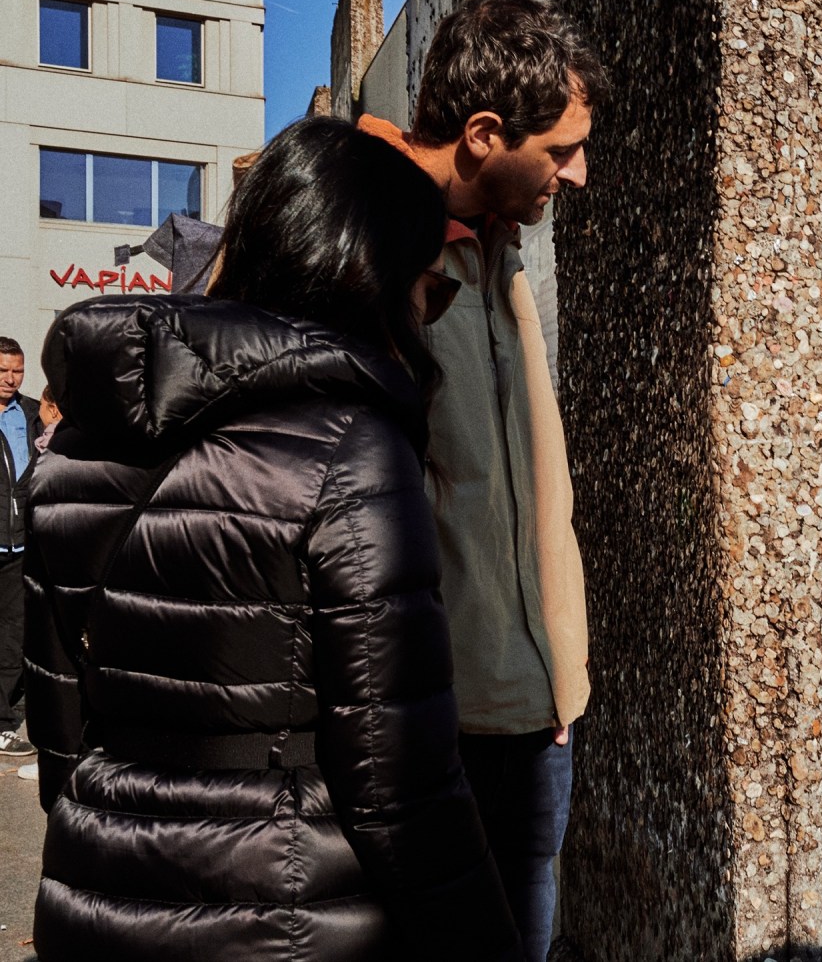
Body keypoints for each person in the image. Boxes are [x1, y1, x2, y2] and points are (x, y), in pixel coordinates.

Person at [21, 117, 520, 961]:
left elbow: (59, 720)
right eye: (430, 290)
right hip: (283, 909)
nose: (428, 315)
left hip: (94, 893)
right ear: (368, 275)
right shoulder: (352, 448)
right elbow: (399, 780)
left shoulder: (77, 442)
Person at [356, 0, 609, 962]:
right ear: (484, 135)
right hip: (424, 728)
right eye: (561, 150)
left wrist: (557, 673)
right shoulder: (353, 231)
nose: (577, 175)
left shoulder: (499, 244)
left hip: (532, 716)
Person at [0, 337, 40, 764]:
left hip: (19, 542)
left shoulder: (32, 413)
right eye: (3, 371)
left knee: (12, 634)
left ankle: (3, 723)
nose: (11, 379)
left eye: (17, 371)